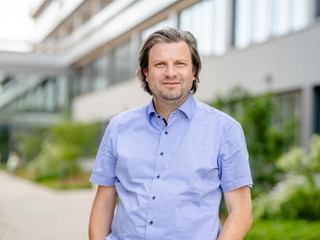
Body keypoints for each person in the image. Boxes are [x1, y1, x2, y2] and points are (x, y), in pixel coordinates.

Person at [89, 28, 253, 240]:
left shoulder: (225, 130)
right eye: (160, 64)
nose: (170, 73)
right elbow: (103, 202)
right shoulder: (118, 127)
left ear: (194, 71)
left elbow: (241, 212)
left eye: (180, 64)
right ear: (146, 72)